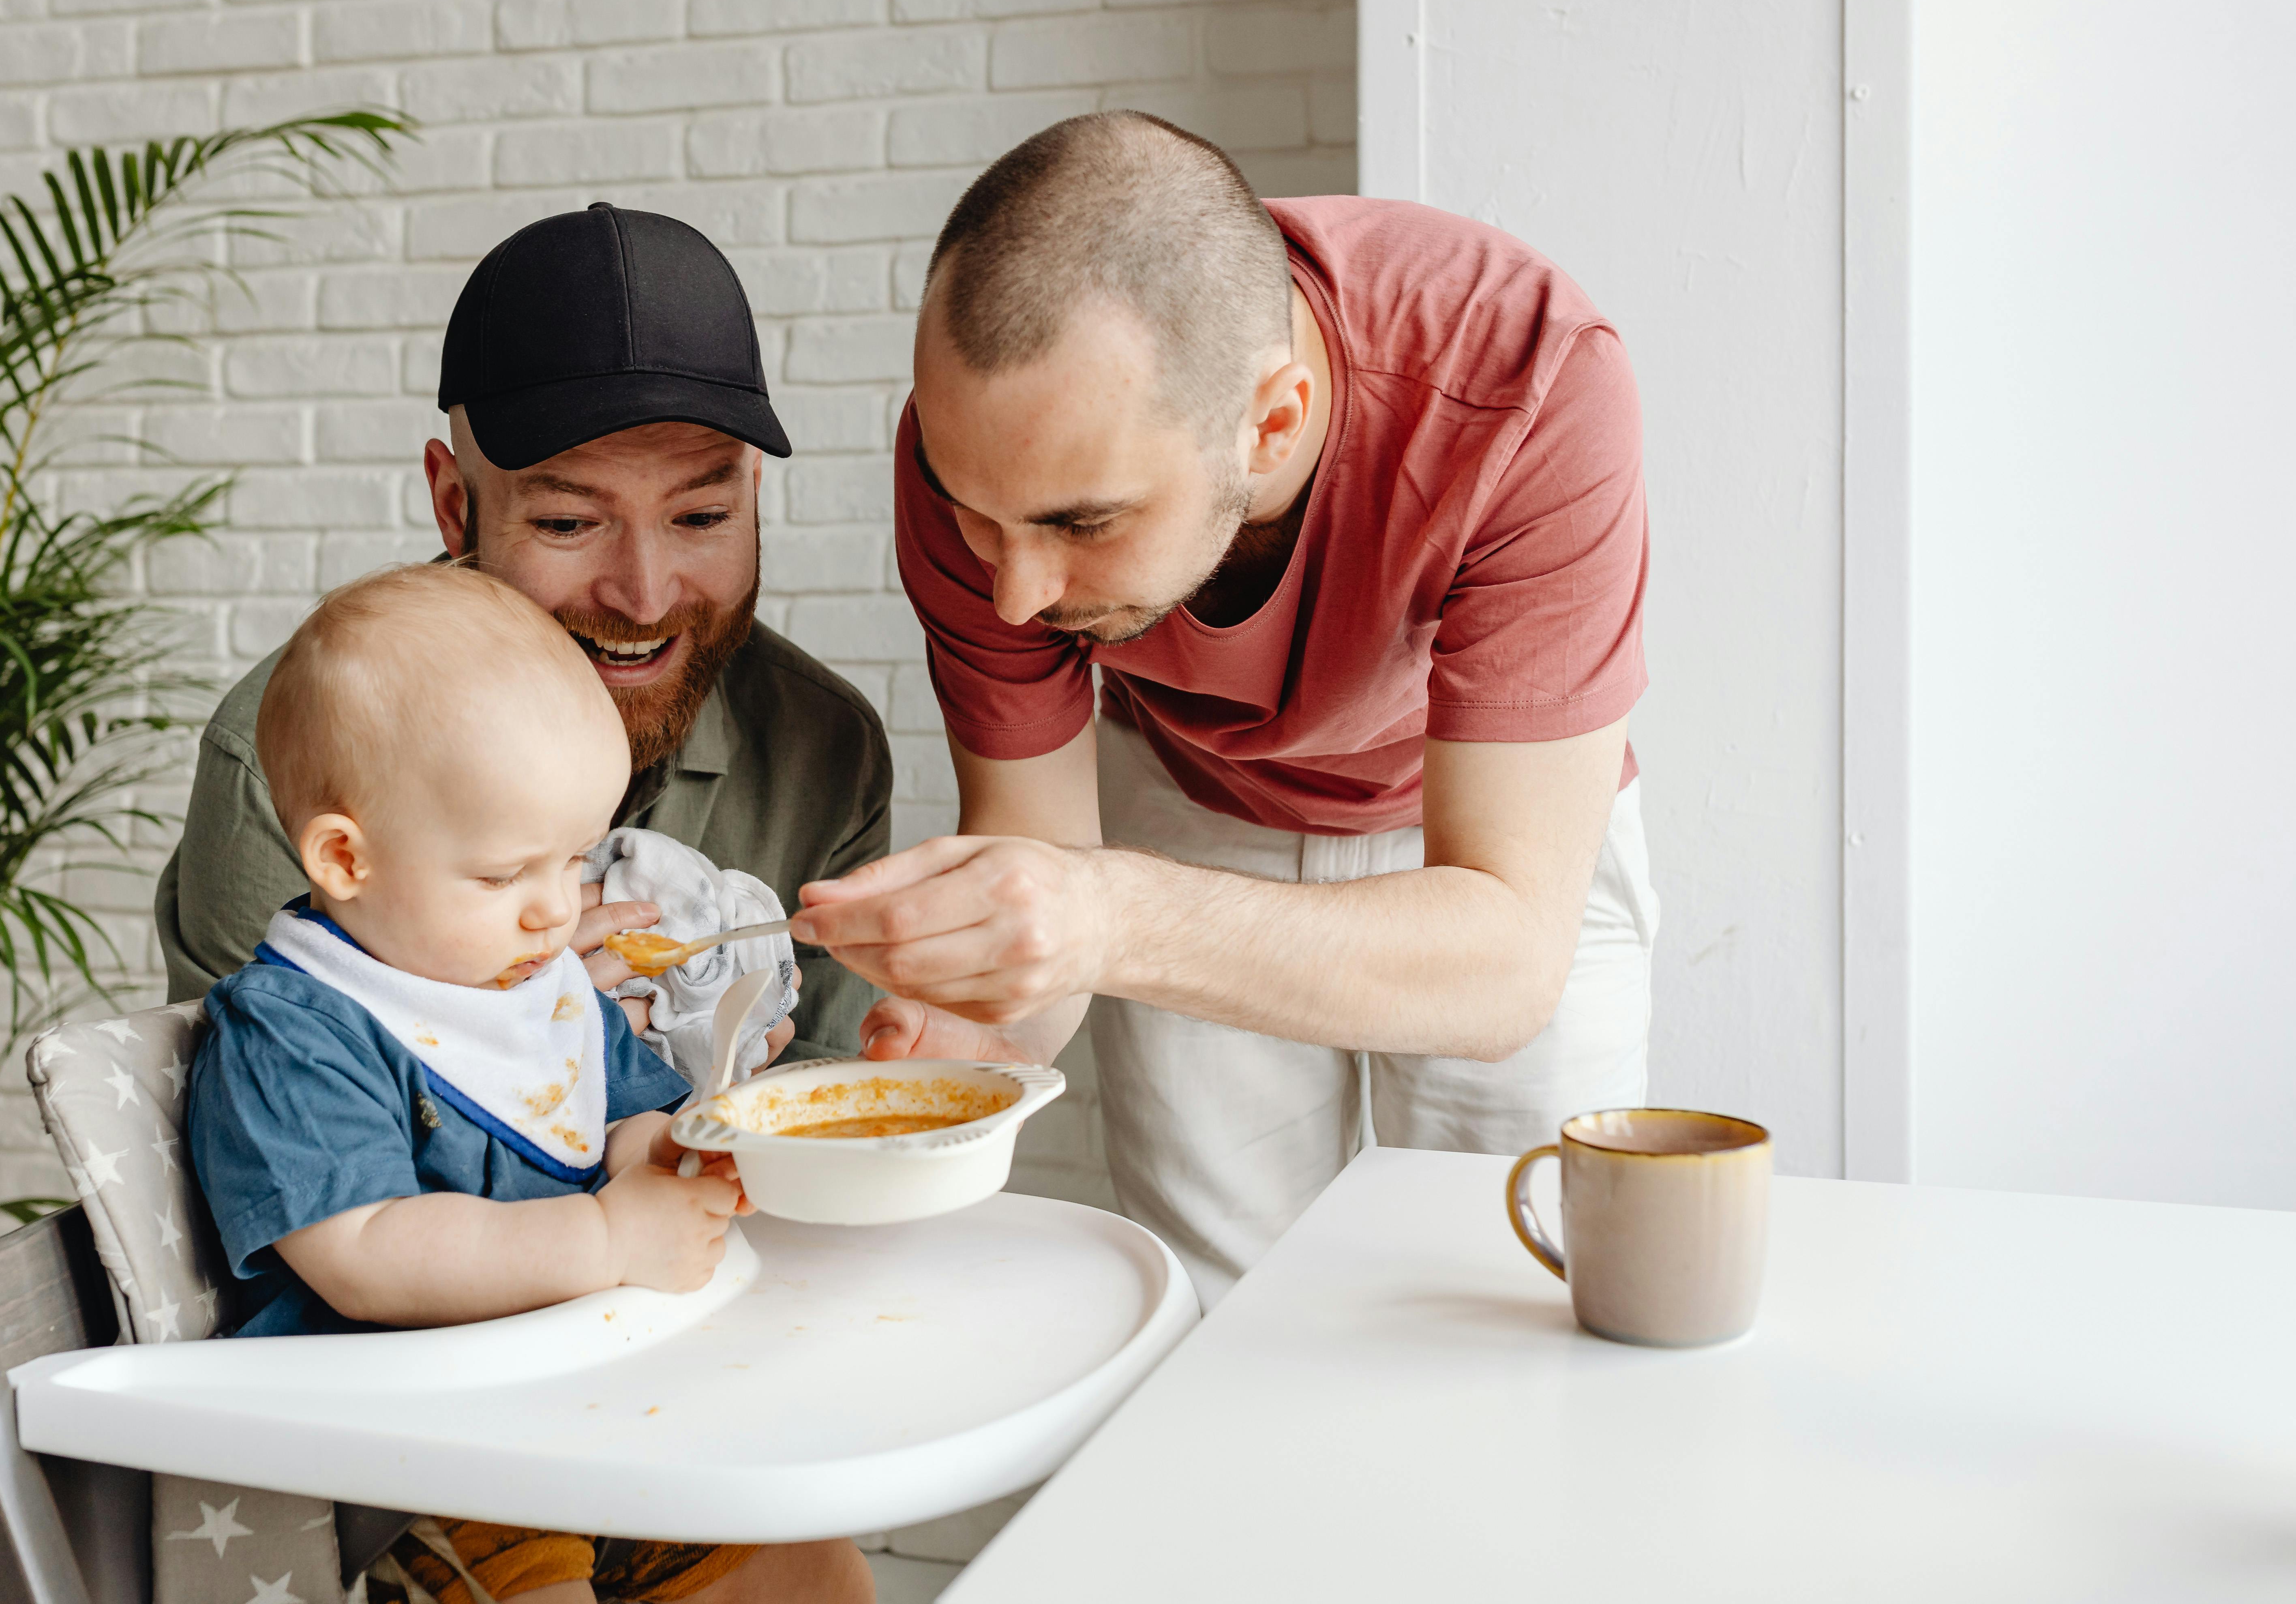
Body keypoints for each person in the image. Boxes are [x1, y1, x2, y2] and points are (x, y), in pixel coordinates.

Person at [797, 114, 1661, 1304]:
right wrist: (997, 1014)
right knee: (1220, 1315)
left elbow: (1507, 963)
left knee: (1514, 1294)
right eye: (975, 518)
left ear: (1271, 420)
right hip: (1187, 798)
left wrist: (1102, 920)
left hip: (1497, 837)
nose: (1015, 589)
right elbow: (1045, 848)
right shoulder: (991, 464)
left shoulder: (1528, 383)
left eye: (1082, 524)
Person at [186, 564, 872, 1604]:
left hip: (583, 1393)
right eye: (507, 875)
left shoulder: (525, 983)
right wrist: (607, 1238)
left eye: (578, 858)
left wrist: (672, 1161)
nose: (558, 911)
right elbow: (366, 1254)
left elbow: (627, 1110)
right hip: (409, 1447)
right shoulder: (294, 1028)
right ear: (345, 857)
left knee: (805, 1559)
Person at [156, 203, 891, 1058]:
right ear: (453, 504)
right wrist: (487, 1032)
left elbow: (838, 1122)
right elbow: (246, 1165)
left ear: (754, 493)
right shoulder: (288, 763)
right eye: (570, 525)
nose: (646, 599)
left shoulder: (823, 751)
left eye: (700, 515)